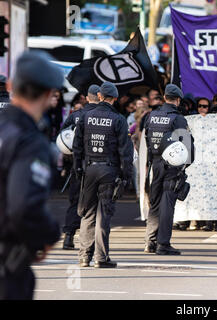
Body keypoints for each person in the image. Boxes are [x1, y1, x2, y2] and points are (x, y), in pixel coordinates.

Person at [0, 51, 62, 300]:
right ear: (49, 94)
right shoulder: (29, 141)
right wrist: (47, 236)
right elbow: (24, 206)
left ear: (11, 86)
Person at [73, 82, 134, 268]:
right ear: (114, 99)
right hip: (109, 171)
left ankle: (84, 256)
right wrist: (126, 175)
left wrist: (78, 169)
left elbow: (77, 147)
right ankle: (101, 258)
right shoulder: (118, 119)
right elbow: (125, 151)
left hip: (89, 169)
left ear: (99, 96)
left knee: (88, 214)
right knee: (103, 215)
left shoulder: (85, 116)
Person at [143, 84, 194, 255]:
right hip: (171, 167)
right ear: (178, 100)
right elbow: (188, 147)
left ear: (164, 98)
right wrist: (185, 165)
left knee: (155, 203)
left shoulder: (152, 116)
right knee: (167, 205)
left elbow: (147, 140)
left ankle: (150, 242)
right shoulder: (178, 119)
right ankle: (163, 244)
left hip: (155, 164)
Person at [59, 85, 100, 250]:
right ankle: (92, 242)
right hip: (97, 164)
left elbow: (63, 140)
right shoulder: (105, 116)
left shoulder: (76, 116)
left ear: (86, 97)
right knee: (95, 203)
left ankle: (68, 237)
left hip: (77, 165)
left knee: (75, 201)